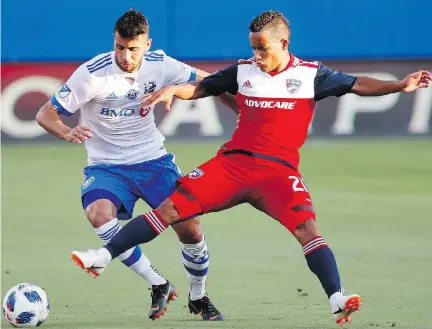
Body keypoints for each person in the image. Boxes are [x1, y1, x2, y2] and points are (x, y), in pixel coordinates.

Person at [70, 10, 431, 326]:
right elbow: (201, 88)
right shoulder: (242, 70)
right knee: (172, 210)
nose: (256, 56)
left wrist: (400, 85)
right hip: (234, 165)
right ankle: (103, 256)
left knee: (307, 227)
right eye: (253, 48)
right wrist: (172, 92)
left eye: (264, 48)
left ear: (284, 43)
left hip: (279, 173)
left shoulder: (310, 75)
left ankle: (336, 297)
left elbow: (358, 85)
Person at [36, 8, 235, 321]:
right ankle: (158, 283)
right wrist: (67, 130)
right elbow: (45, 113)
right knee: (99, 216)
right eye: (119, 47)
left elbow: (211, 82)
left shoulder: (160, 64)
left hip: (154, 161)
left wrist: (242, 112)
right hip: (107, 167)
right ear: (114, 42)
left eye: (133, 49)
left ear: (147, 44)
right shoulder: (91, 74)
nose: (125, 56)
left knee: (191, 230)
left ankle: (198, 296)